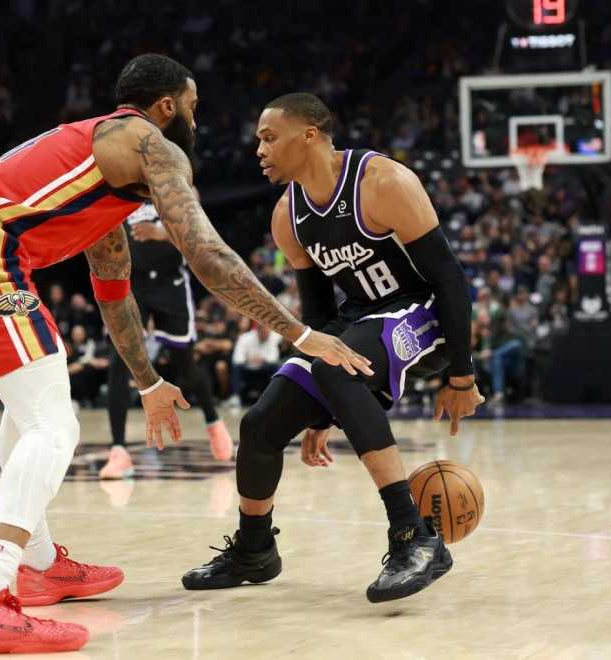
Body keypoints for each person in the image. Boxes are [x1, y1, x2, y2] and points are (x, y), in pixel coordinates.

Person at [0, 55, 369, 654]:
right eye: (192, 107)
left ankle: (39, 566)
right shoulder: (153, 146)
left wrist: (147, 382)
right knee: (53, 426)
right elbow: (207, 255)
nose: (196, 120)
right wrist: (299, 334)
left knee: (29, 409)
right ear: (168, 106)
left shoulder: (103, 170)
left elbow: (113, 291)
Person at [181, 93, 484, 603]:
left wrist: (462, 375)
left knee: (337, 369)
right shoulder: (287, 215)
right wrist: (321, 411)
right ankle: (254, 550)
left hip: (424, 309)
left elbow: (449, 278)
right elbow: (319, 318)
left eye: (269, 137)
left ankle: (414, 536)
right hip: (361, 319)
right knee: (260, 425)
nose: (259, 149)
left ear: (310, 135)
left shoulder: (382, 182)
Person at [101, 198, 233, 480]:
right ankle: (118, 450)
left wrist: (160, 232)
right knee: (119, 361)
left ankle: (213, 419)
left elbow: (197, 233)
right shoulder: (122, 185)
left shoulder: (176, 183)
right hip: (131, 281)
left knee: (185, 366)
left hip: (170, 283)